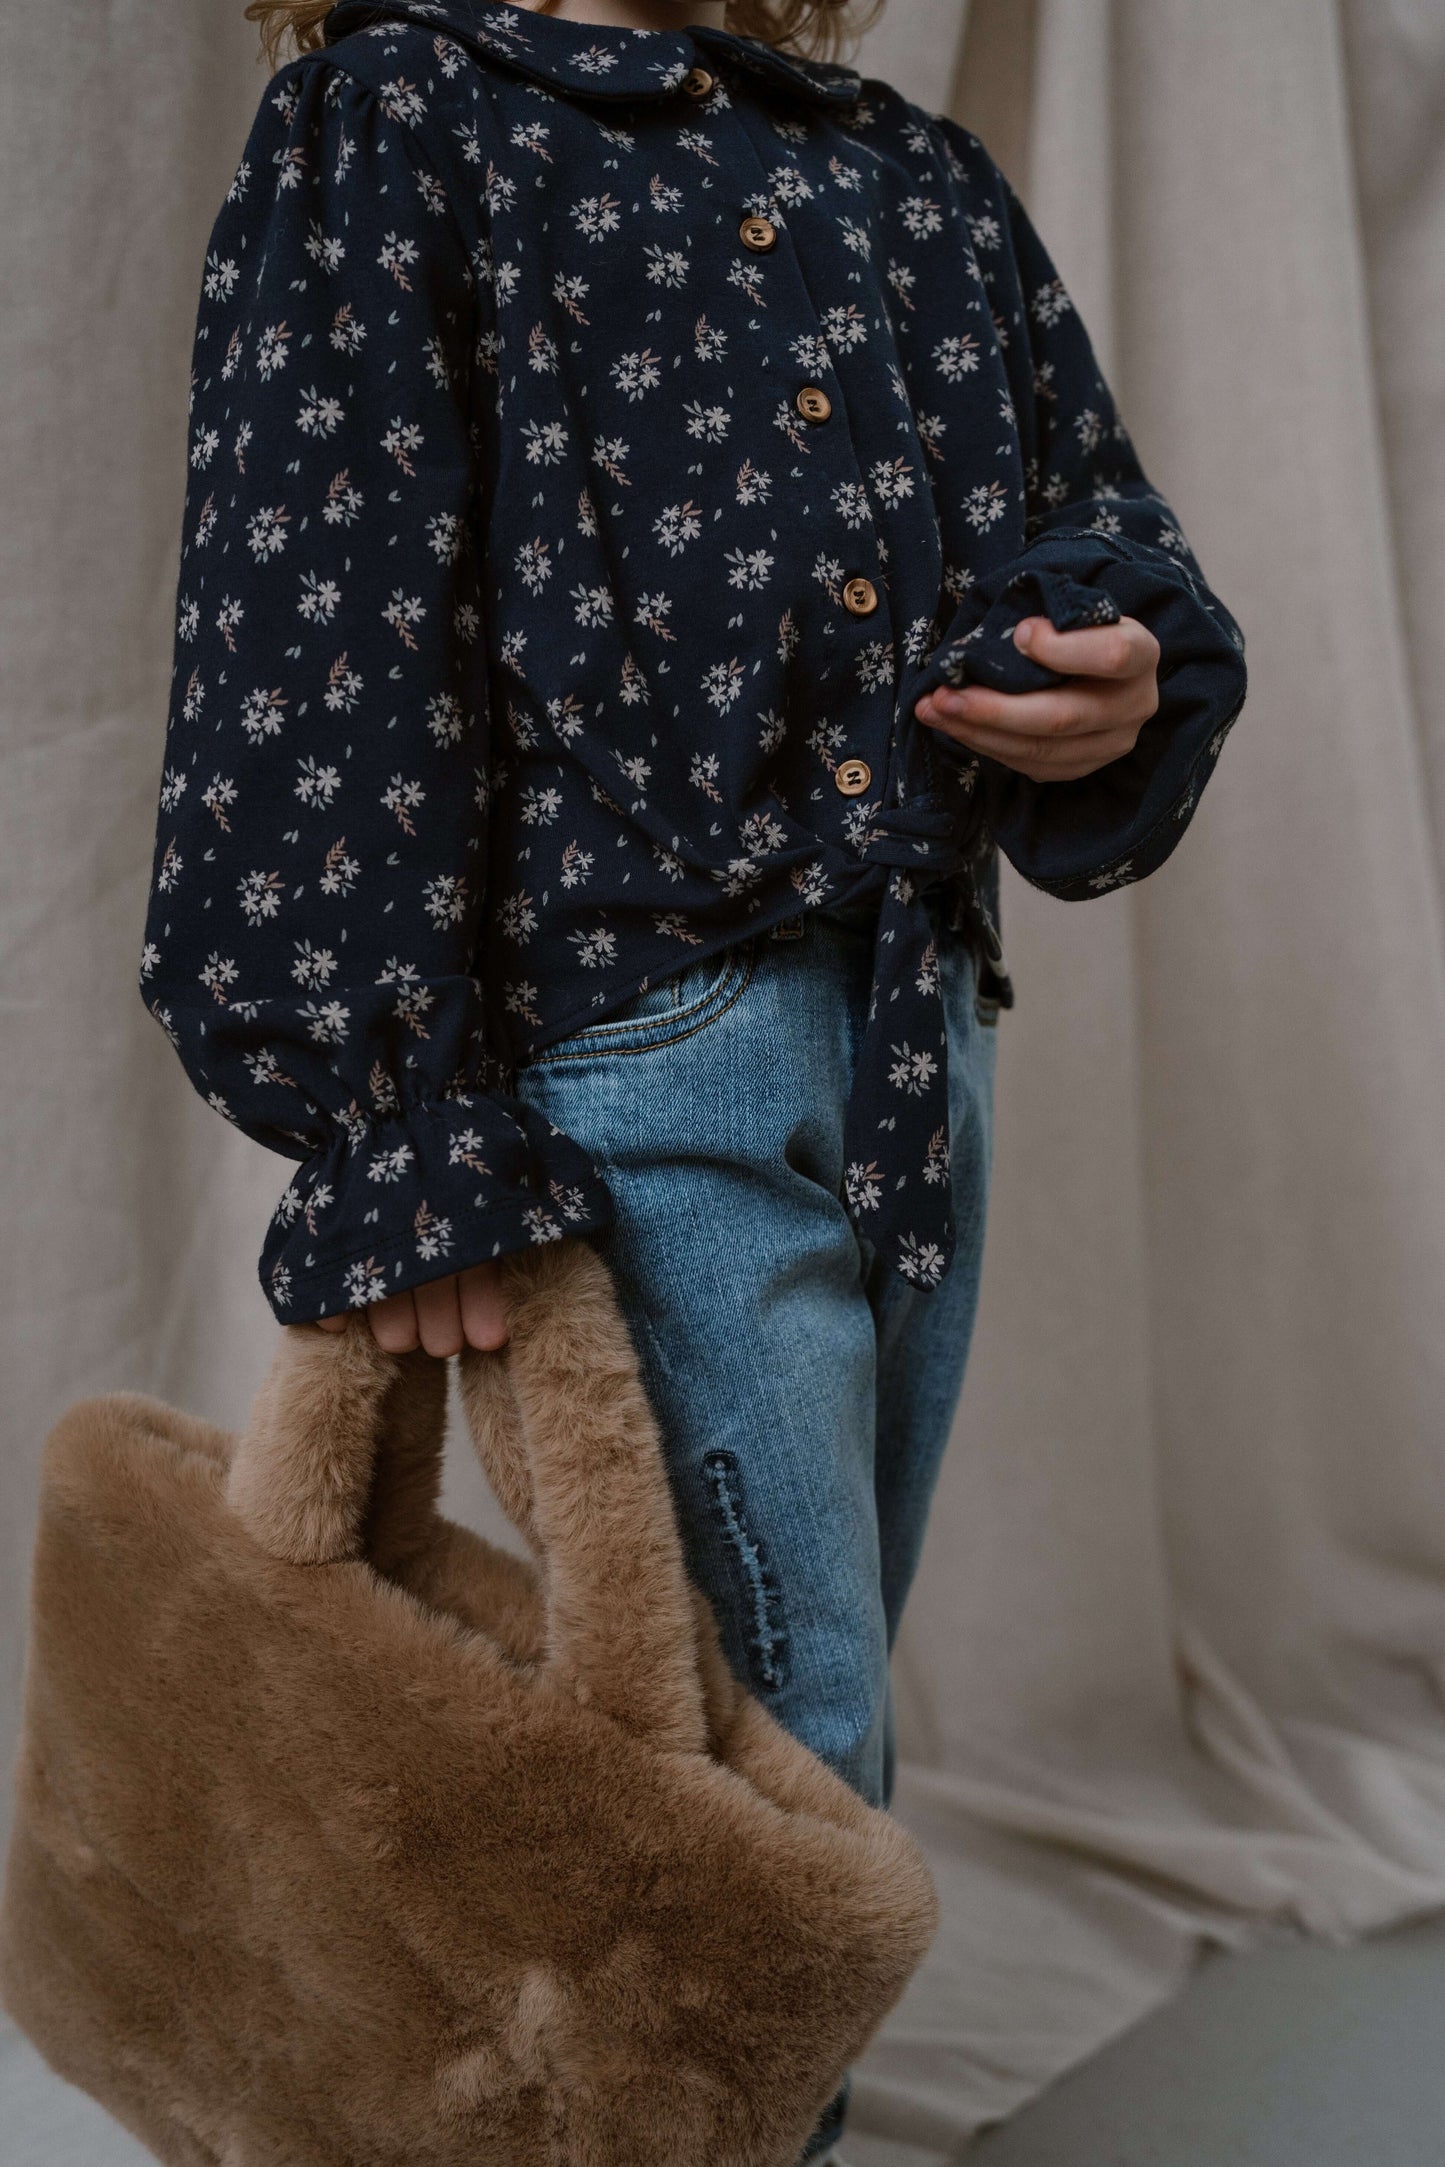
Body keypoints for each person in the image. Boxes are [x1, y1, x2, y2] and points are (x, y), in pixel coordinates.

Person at [140, 0, 1246, 2154]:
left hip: (922, 1046)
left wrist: (1122, 665)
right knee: (781, 1731)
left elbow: (1092, 513)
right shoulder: (396, 129)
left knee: (793, 1696)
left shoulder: (907, 175)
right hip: (637, 1068)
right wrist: (400, 1129)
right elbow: (316, 639)